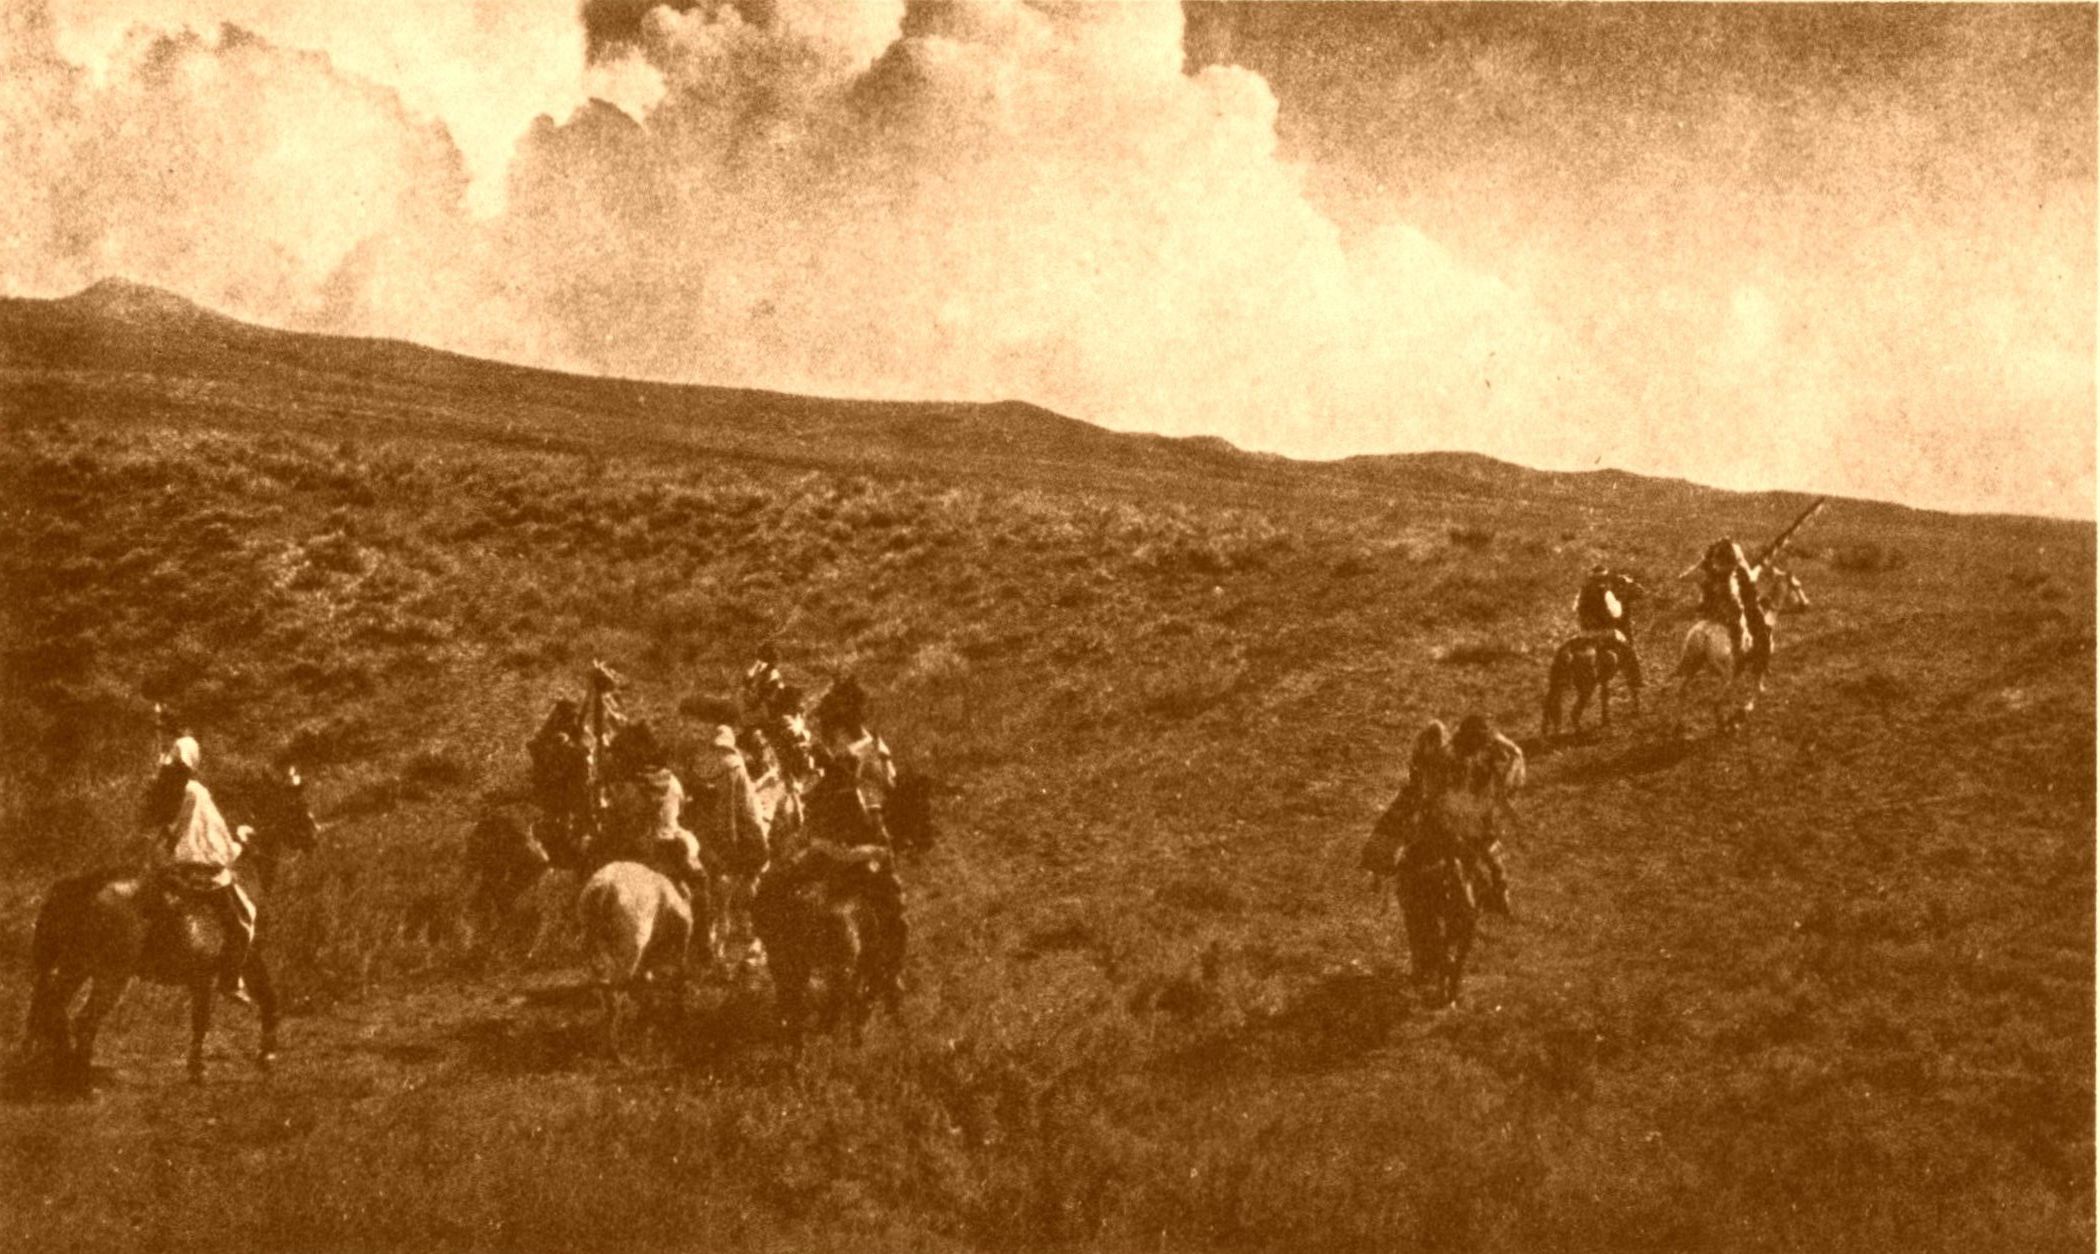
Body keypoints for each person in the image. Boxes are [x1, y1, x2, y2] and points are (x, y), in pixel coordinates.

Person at [155, 755, 256, 1002]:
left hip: (170, 869)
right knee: (244, 922)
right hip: (202, 876)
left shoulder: (160, 788)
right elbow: (215, 843)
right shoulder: (197, 792)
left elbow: (167, 831)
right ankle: (229, 981)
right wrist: (240, 844)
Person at [1448, 714, 1520, 917]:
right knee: (1471, 862)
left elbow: (1507, 761)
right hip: (1462, 817)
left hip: (1478, 816)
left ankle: (1496, 899)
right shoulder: (1455, 757)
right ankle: (1474, 902)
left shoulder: (1485, 757)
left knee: (1492, 861)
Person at [812, 676, 897, 848]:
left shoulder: (865, 738)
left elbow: (882, 776)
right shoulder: (847, 738)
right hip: (860, 788)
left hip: (867, 784)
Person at [1688, 537, 1771, 668]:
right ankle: (1757, 664)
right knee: (1762, 631)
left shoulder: (1712, 566)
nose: (1717, 566)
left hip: (1712, 608)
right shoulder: (1736, 573)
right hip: (1728, 608)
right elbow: (1745, 593)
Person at [1574, 566, 1646, 692]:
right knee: (1628, 648)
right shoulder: (1606, 592)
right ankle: (1635, 681)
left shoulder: (1582, 590)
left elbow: (1574, 608)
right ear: (1603, 578)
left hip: (1584, 633)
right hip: (1603, 633)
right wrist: (1618, 603)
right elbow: (1617, 613)